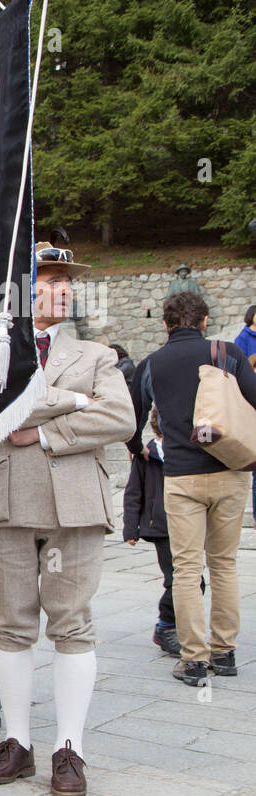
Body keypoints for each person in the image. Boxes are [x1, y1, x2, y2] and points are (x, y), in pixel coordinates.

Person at [0, 240, 135, 796]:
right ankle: (17, 741)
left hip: (74, 502)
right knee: (10, 623)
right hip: (5, 499)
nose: (63, 289)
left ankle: (71, 748)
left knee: (73, 622)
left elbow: (121, 417)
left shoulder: (97, 355)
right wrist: (72, 401)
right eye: (47, 279)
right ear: (18, 290)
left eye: (67, 280)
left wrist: (40, 427)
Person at [127, 291, 255, 685]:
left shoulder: (151, 364)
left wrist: (139, 450)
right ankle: (226, 652)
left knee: (185, 568)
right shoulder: (228, 352)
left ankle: (194, 659)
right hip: (230, 472)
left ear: (165, 324)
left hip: (181, 476)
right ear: (204, 321)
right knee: (224, 564)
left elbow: (130, 418)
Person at [122, 407, 190, 657]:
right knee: (176, 579)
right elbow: (133, 492)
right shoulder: (146, 454)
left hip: (186, 523)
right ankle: (165, 625)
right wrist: (131, 527)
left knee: (193, 581)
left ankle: (176, 626)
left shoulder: (186, 451)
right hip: (161, 527)